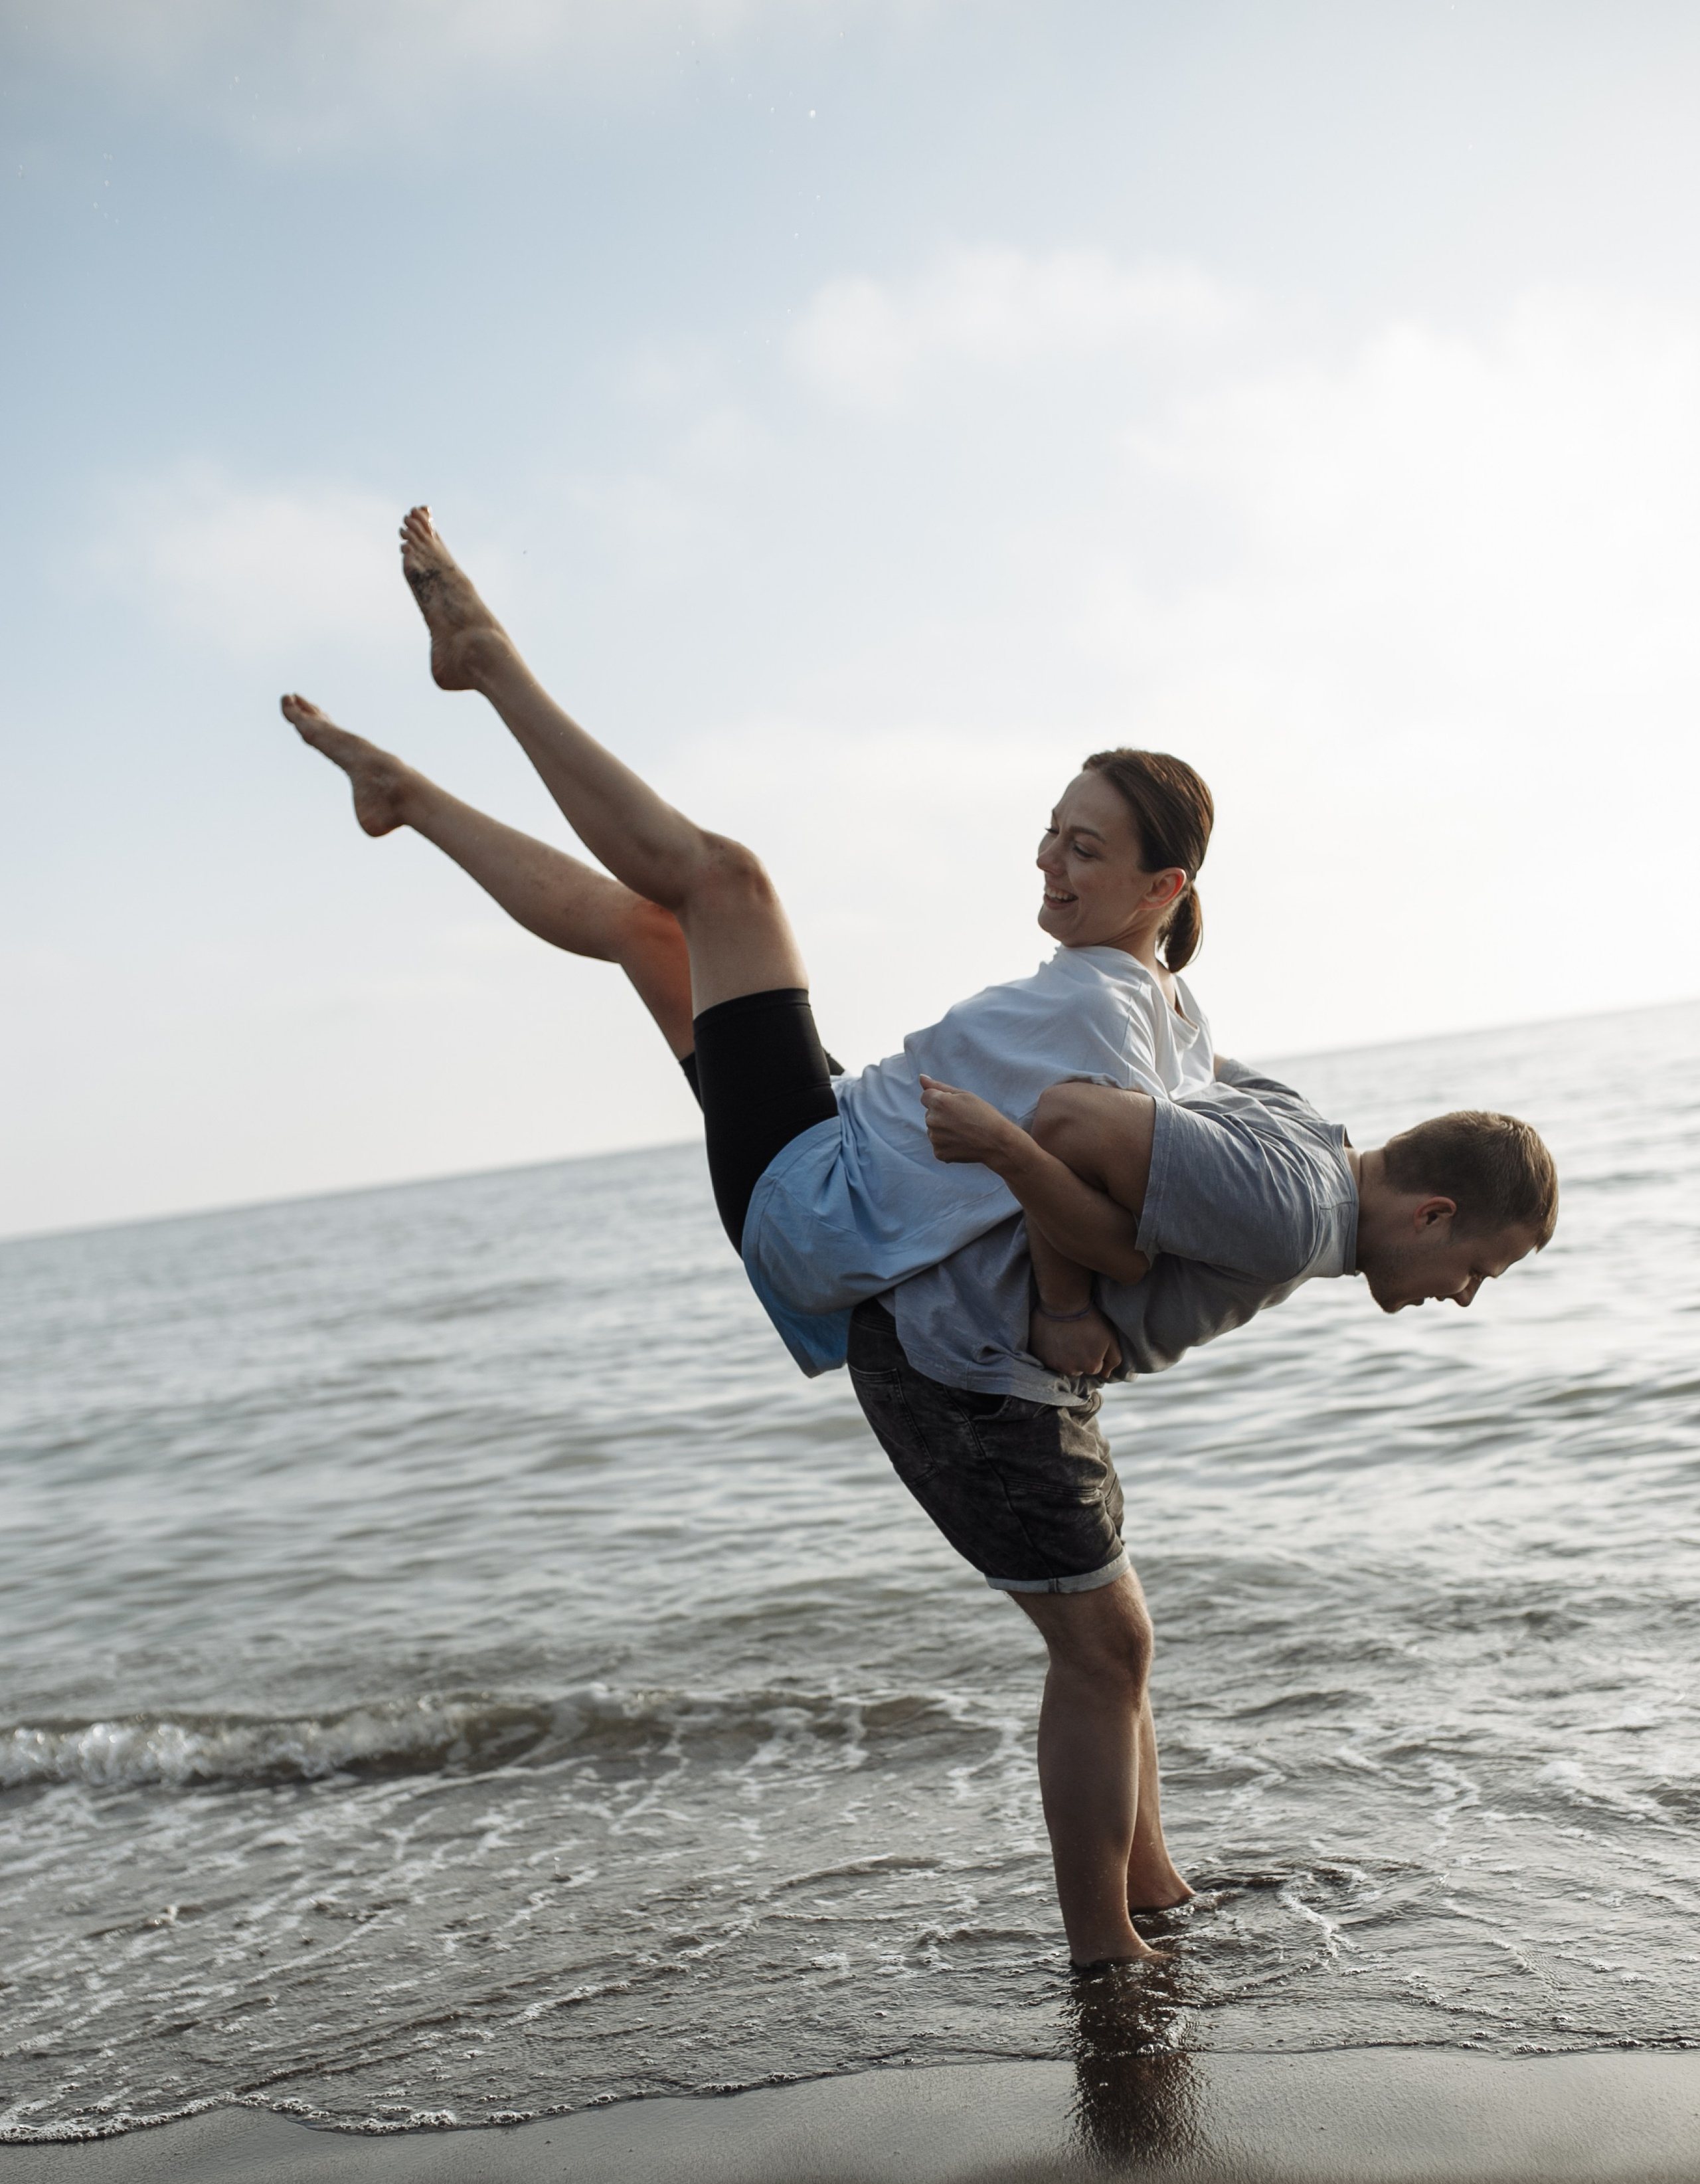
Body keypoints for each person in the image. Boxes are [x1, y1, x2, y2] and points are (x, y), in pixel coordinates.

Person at [282, 507, 1557, 1973]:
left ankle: (408, 796)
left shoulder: (1202, 1049)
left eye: (1082, 849)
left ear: (1157, 890)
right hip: (826, 1198)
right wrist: (1075, 1290)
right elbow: (1093, 1166)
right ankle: (1112, 1955)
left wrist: (1087, 1275)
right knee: (721, 887)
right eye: (1479, 1266)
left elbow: (1149, 1159)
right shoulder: (1204, 1110)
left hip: (841, 1179)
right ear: (1433, 1212)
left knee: (664, 934)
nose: (1459, 1297)